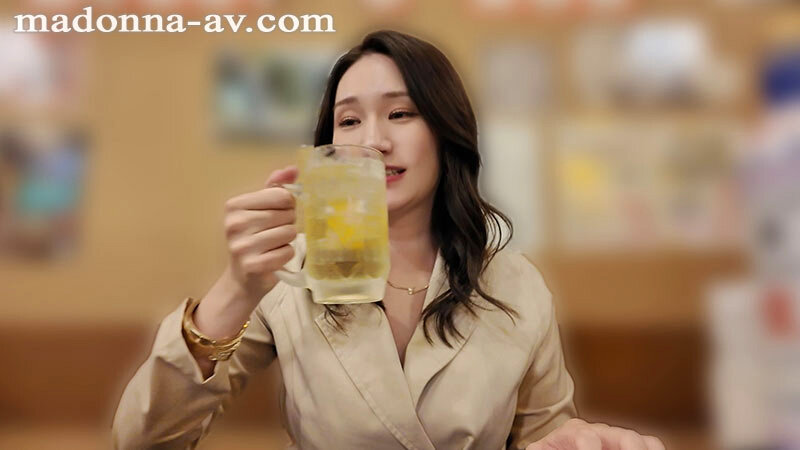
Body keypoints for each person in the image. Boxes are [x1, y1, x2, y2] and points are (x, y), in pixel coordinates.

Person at [113, 30, 664, 450]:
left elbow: (546, 437)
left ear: (445, 133)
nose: (373, 141)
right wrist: (236, 288)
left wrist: (579, 441)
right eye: (349, 121)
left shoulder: (515, 283)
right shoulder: (291, 274)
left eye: (400, 113)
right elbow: (143, 440)